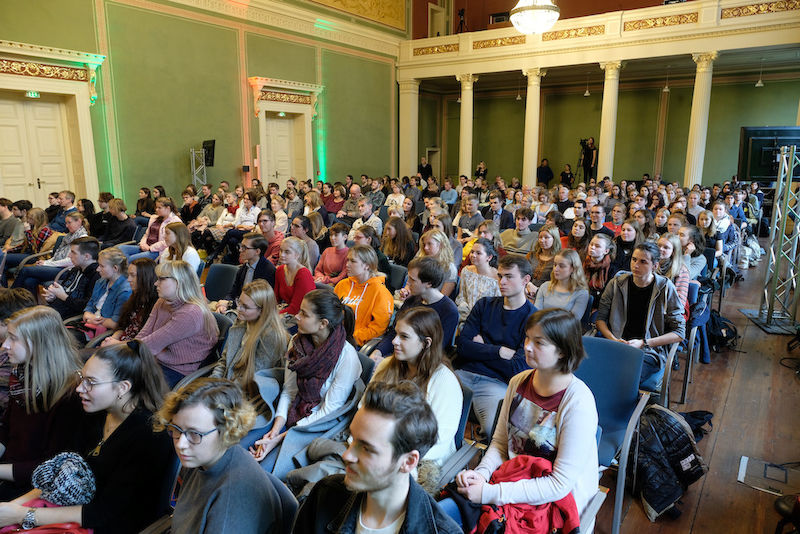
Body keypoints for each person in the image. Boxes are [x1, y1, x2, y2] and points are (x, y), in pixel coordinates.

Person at [442, 309, 598, 530]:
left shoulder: (578, 402)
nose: (527, 347)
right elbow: (501, 443)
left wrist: (489, 493)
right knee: (441, 513)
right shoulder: (518, 381)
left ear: (563, 351)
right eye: (527, 338)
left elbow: (559, 484)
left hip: (551, 505)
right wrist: (481, 474)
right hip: (511, 485)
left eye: (539, 342)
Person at [0, 341, 173, 533]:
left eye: (91, 382)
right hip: (72, 509)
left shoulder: (150, 436)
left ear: (123, 387)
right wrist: (13, 507)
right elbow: (59, 473)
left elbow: (103, 513)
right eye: (82, 378)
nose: (79, 388)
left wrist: (21, 514)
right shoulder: (95, 413)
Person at [294, 380, 461, 534]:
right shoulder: (325, 494)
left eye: (366, 449)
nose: (347, 455)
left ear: (408, 462)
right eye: (353, 440)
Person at [155, 378, 288, 533]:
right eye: (177, 429)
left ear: (226, 431)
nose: (181, 444)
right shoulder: (202, 458)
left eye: (194, 433)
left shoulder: (231, 503)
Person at [251, 289, 361, 468]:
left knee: (268, 467)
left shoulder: (347, 357)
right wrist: (275, 430)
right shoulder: (297, 342)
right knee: (247, 442)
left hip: (318, 424)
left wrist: (280, 438)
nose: (296, 316)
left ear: (323, 323)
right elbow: (289, 391)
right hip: (293, 411)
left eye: (304, 314)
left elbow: (327, 411)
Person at [0, 306, 86, 500]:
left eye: (13, 338)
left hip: (36, 487)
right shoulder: (22, 376)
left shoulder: (71, 394)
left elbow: (52, 467)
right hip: (11, 469)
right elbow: (6, 430)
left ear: (38, 343)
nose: (5, 345)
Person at [455, 254, 537, 436]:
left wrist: (480, 348)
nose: (502, 282)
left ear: (526, 280)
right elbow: (462, 347)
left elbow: (517, 368)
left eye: (509, 276)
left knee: (493, 430)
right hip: (464, 374)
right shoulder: (484, 305)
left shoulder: (533, 318)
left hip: (496, 383)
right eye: (500, 276)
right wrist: (498, 351)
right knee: (426, 411)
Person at [371, 308, 462, 466]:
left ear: (426, 343)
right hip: (376, 448)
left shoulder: (445, 381)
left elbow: (439, 440)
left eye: (404, 336)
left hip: (418, 461)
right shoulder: (386, 366)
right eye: (396, 334)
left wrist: (393, 459)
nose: (394, 341)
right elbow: (366, 408)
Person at [107, 260, 218, 387]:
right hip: (155, 361)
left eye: (161, 279)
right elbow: (143, 335)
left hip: (177, 372)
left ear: (178, 282)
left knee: (117, 382)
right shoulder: (162, 301)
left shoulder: (190, 313)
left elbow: (149, 345)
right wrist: (123, 346)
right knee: (111, 373)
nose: (155, 283)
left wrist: (116, 345)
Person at [596, 242, 685, 391]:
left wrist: (644, 343)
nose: (636, 265)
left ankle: (629, 405)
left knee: (624, 379)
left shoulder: (665, 287)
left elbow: (680, 333)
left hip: (648, 351)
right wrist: (613, 339)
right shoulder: (617, 283)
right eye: (634, 259)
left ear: (655, 266)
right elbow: (600, 319)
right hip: (615, 344)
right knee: (591, 372)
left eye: (643, 262)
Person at [211, 280, 290, 445]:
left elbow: (253, 382)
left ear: (262, 310)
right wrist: (213, 384)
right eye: (239, 302)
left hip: (249, 400)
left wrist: (220, 395)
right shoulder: (241, 323)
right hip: (227, 389)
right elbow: (224, 361)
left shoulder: (271, 337)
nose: (239, 308)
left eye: (245, 307)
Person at [370, 257, 458, 361]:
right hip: (396, 354)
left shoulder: (449, 310)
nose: (407, 283)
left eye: (412, 280)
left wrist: (388, 362)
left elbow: (432, 351)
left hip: (419, 363)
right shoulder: (412, 300)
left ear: (429, 283)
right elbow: (394, 333)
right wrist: (378, 352)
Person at [11, 211, 88, 292]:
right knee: (29, 281)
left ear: (79, 221)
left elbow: (70, 261)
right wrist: (45, 262)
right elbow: (56, 257)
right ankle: (27, 300)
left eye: (69, 222)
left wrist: (47, 264)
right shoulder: (68, 236)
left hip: (67, 271)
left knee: (25, 270)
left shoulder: (82, 239)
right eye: (66, 223)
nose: (66, 226)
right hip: (57, 267)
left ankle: (10, 295)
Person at [335, 245, 394, 347]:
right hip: (335, 336)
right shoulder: (342, 285)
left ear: (367, 265)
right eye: (347, 260)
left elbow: (378, 328)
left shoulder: (381, 292)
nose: (347, 265)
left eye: (353, 261)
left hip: (355, 343)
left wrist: (352, 338)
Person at [213, 232, 276, 314]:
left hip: (254, 313)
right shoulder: (244, 267)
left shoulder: (268, 270)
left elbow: (256, 302)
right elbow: (233, 292)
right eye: (241, 246)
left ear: (257, 251)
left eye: (244, 248)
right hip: (239, 307)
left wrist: (230, 304)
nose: (240, 250)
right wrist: (224, 304)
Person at [101, 258, 158, 345]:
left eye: (133, 275)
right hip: (120, 343)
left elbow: (144, 342)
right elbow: (122, 326)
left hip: (133, 348)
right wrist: (112, 339)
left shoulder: (155, 304)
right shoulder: (135, 297)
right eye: (128, 275)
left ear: (145, 277)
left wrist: (116, 344)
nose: (128, 279)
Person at [81, 246, 132, 338]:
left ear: (115, 268)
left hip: (104, 333)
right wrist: (88, 314)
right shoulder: (100, 282)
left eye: (102, 266)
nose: (97, 269)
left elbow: (115, 323)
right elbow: (90, 305)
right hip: (89, 324)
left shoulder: (125, 291)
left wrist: (93, 319)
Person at [119, 197, 181, 261]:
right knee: (120, 249)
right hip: (146, 246)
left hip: (158, 251)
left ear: (168, 208)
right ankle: (126, 265)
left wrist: (150, 248)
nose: (156, 209)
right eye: (156, 207)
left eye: (159, 208)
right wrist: (143, 244)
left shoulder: (175, 221)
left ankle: (128, 265)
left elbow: (169, 242)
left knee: (131, 259)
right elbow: (146, 234)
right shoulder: (154, 218)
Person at [456, 238, 500, 322]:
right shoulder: (466, 271)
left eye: (478, 253)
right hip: (466, 317)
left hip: (486, 320)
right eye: (472, 252)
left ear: (489, 257)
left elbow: (496, 307)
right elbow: (462, 297)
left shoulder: (497, 278)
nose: (473, 255)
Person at [657, 233, 690, 316]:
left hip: (670, 312)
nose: (660, 249)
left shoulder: (681, 270)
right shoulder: (650, 263)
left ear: (673, 251)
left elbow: (680, 303)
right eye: (659, 245)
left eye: (666, 247)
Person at [583, 233, 617, 308]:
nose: (592, 247)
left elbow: (607, 295)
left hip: (599, 305)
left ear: (606, 251)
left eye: (597, 246)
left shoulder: (611, 269)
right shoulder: (582, 262)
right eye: (591, 244)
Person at [527, 223, 561, 291]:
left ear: (554, 239)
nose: (542, 240)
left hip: (547, 292)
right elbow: (522, 273)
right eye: (540, 237)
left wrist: (537, 290)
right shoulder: (531, 255)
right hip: (527, 289)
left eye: (546, 237)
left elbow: (558, 283)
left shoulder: (559, 259)